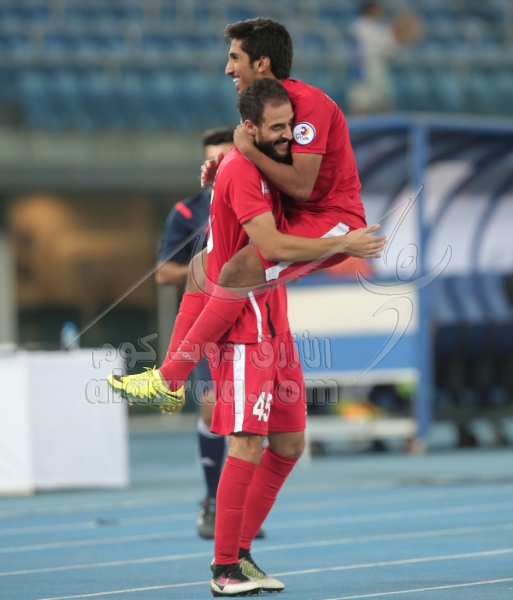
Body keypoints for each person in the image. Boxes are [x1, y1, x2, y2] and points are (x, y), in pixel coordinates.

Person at [107, 18, 386, 409]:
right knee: (201, 265)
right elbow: (266, 162)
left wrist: (248, 153)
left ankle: (171, 379)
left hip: (333, 220)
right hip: (297, 215)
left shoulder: (309, 105)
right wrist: (228, 165)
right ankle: (169, 381)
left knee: (237, 270)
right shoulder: (266, 106)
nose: (228, 68)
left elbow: (301, 186)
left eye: (235, 57)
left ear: (262, 63)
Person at [155, 128, 255, 540]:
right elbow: (164, 273)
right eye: (212, 158)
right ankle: (213, 501)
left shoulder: (258, 200)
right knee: (213, 406)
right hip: (208, 322)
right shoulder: (186, 211)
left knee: (255, 421)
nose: (219, 165)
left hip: (253, 319)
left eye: (226, 156)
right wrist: (213, 266)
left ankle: (239, 511)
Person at [348, 2, 398, 114]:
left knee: (384, 102)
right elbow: (362, 48)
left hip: (379, 67)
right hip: (363, 67)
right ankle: (358, 125)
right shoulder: (359, 25)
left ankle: (386, 124)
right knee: (360, 103)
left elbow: (390, 49)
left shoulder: (383, 27)